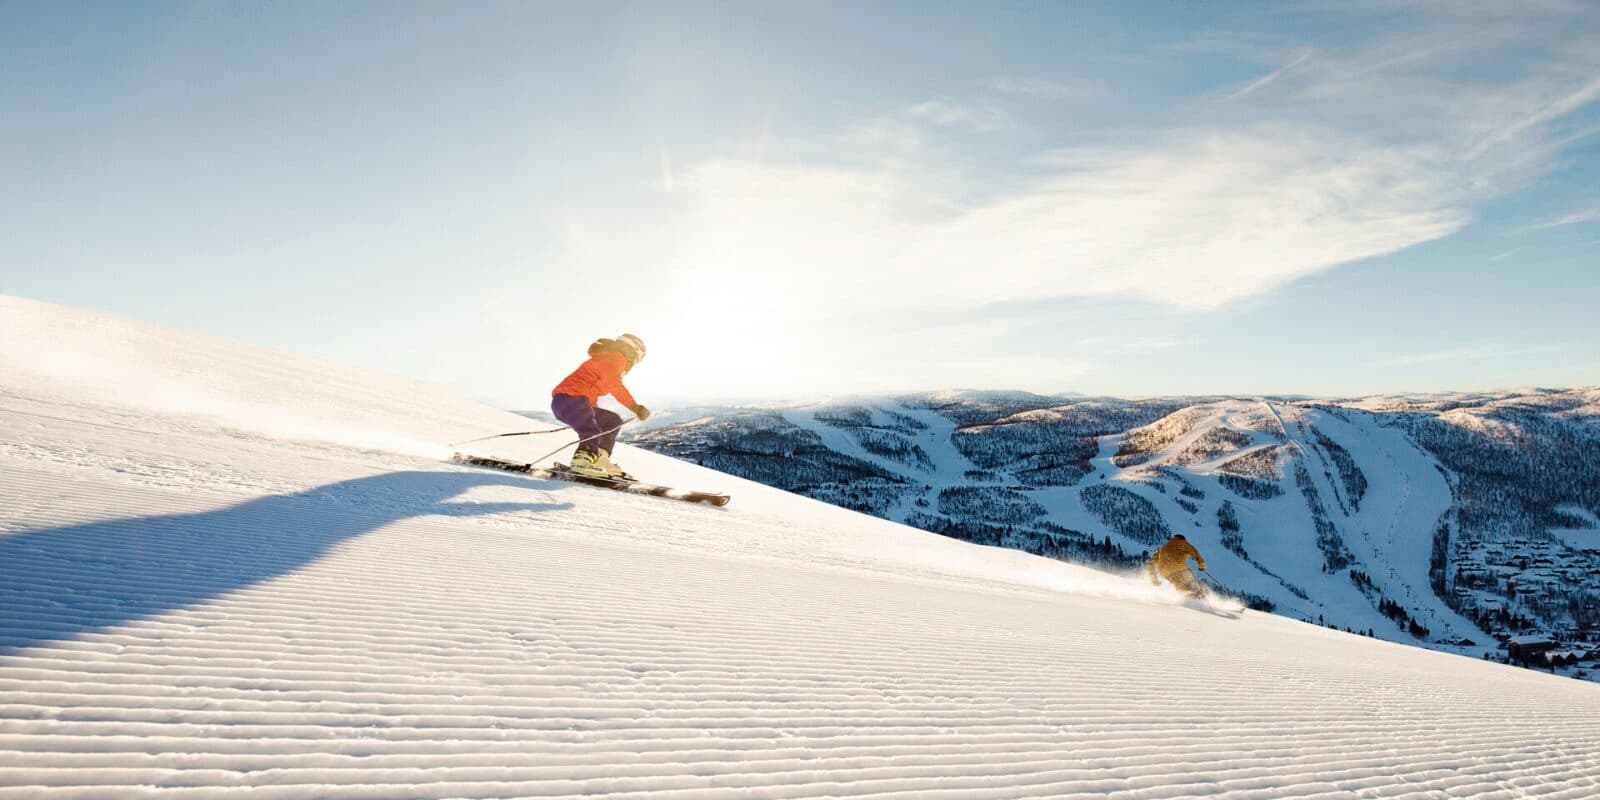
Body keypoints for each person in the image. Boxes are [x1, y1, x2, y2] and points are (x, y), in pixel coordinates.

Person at [551, 334, 650, 479]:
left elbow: (591, 389)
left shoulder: (609, 358)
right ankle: (583, 459)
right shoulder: (615, 358)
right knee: (592, 430)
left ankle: (599, 458)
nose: (634, 363)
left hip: (574, 402)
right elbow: (615, 386)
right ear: (632, 351)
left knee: (612, 421)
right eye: (636, 359)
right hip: (570, 399)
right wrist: (635, 407)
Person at [1146, 533, 1208, 599]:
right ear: (1183, 539)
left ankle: (1187, 599)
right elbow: (1196, 554)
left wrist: (1154, 580)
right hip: (1180, 570)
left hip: (1165, 573)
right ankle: (1200, 599)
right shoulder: (1184, 543)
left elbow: (1150, 563)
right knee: (1193, 586)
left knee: (1180, 586)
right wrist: (1201, 566)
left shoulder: (1163, 547)